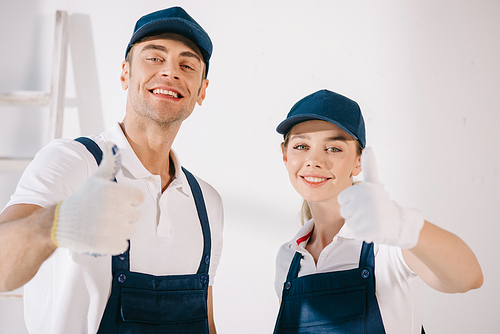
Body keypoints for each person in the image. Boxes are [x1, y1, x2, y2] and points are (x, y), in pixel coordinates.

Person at [0, 7, 223, 334]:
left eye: (186, 65)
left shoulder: (208, 203)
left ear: (201, 90)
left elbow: (207, 322)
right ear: (125, 74)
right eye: (154, 58)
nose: (170, 72)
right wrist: (57, 221)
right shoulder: (73, 162)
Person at [272, 89, 483, 333]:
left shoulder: (388, 242)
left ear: (358, 161)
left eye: (334, 149)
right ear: (285, 156)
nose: (314, 160)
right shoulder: (288, 259)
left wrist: (406, 227)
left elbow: (468, 278)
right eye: (301, 146)